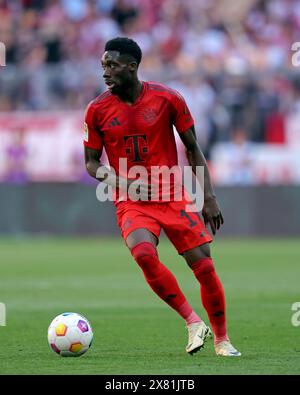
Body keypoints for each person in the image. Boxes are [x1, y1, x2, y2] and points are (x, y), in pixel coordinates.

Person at [84, 37, 241, 357]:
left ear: (132, 66)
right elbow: (90, 163)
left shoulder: (168, 99)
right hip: (131, 199)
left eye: (112, 65)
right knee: (143, 253)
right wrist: (121, 181)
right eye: (103, 66)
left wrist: (208, 196)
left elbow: (193, 148)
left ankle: (222, 340)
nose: (105, 72)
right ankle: (192, 322)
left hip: (172, 193)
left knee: (204, 267)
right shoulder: (96, 109)